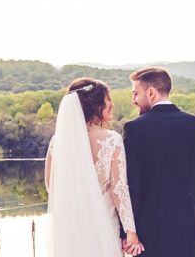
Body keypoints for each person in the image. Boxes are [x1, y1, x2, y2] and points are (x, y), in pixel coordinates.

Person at [45, 78, 144, 257]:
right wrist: (131, 232)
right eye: (108, 99)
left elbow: (51, 186)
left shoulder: (57, 142)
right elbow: (119, 190)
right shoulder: (112, 140)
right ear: (96, 105)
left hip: (70, 230)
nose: (112, 104)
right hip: (104, 227)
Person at [123, 67, 195, 257]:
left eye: (135, 94)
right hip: (190, 224)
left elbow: (133, 185)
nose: (134, 100)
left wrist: (129, 232)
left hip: (150, 226)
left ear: (150, 92)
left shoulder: (135, 129)